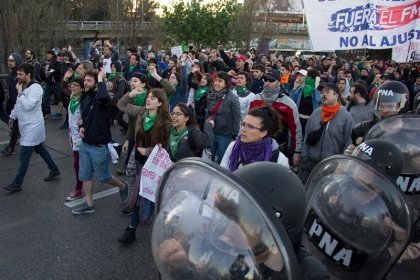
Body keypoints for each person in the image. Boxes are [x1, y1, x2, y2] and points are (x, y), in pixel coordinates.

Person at [117, 88, 171, 243]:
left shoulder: (165, 123)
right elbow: (121, 105)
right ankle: (132, 230)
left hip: (155, 167)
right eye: (148, 97)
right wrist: (131, 94)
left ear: (160, 103)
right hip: (139, 162)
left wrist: (148, 150)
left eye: (153, 98)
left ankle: (161, 232)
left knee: (151, 199)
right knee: (140, 197)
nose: (149, 100)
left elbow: (165, 148)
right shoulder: (141, 112)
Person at [71, 69, 129, 215]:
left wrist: (100, 78)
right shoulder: (85, 98)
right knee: (84, 175)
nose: (85, 82)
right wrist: (81, 126)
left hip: (99, 146)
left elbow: (103, 95)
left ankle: (122, 186)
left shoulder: (103, 99)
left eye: (89, 80)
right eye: (85, 80)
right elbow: (84, 118)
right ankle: (89, 204)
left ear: (97, 84)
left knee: (103, 177)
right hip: (85, 144)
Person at [4, 63, 61, 192]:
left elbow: (28, 105)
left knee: (24, 156)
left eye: (20, 74)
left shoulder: (36, 88)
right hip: (26, 126)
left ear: (28, 75)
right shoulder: (22, 86)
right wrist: (12, 117)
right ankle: (54, 169)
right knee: (40, 149)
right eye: (17, 74)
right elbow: (18, 105)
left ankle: (17, 183)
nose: (17, 77)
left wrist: (19, 93)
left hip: (34, 127)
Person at [299, 82, 354, 183]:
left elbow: (349, 143)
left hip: (331, 168)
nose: (323, 95)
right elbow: (306, 135)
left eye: (327, 92)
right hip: (310, 164)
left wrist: (341, 166)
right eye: (322, 92)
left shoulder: (346, 117)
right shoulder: (316, 113)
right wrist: (304, 156)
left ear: (336, 95)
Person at [250, 71, 302, 168]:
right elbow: (246, 123)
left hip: (279, 149)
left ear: (279, 82)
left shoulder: (289, 104)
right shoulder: (254, 100)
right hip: (255, 146)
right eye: (265, 80)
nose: (267, 82)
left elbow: (295, 130)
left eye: (271, 80)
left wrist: (297, 152)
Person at [221, 106, 289, 171]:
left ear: (263, 133)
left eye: (250, 127)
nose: (243, 129)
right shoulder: (233, 147)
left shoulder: (279, 160)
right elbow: (223, 176)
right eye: (243, 124)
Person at [205, 71, 241, 164]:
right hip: (211, 133)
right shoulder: (211, 94)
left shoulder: (232, 97)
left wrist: (234, 135)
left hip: (225, 135)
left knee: (222, 162)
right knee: (208, 161)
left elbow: (237, 117)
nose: (216, 83)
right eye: (215, 80)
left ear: (226, 83)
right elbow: (208, 113)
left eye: (220, 81)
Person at [65, 77, 85, 201]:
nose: (73, 87)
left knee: (78, 163)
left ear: (82, 88)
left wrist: (83, 122)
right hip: (72, 135)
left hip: (81, 136)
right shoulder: (72, 98)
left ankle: (79, 188)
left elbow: (88, 116)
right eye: (72, 85)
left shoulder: (84, 101)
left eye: (76, 85)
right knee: (79, 161)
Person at [1, 53, 23, 156]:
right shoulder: (11, 74)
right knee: (18, 127)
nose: (9, 62)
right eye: (8, 60)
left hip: (20, 105)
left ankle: (11, 147)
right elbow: (11, 92)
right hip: (14, 104)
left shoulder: (19, 75)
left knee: (16, 127)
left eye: (11, 60)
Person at [290, 69, 322, 135]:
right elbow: (292, 100)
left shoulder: (318, 90)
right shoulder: (302, 88)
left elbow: (318, 100)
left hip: (312, 120)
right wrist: (294, 88)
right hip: (299, 118)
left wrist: (316, 87)